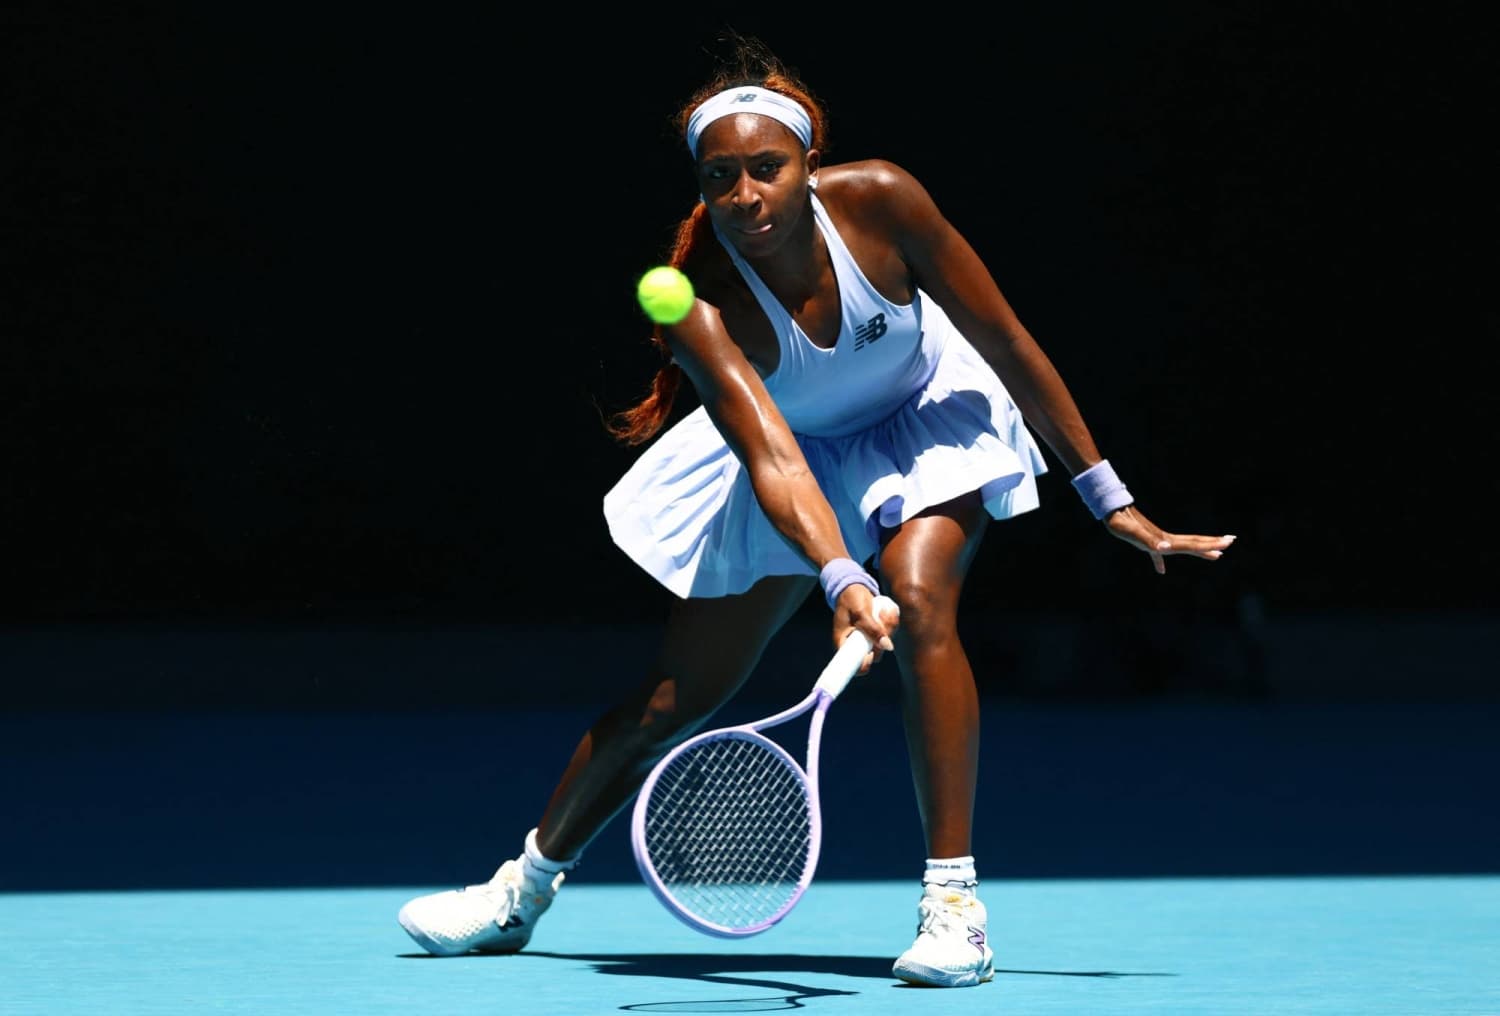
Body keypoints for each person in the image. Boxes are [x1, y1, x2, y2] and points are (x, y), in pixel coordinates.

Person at [397, 34, 1235, 988]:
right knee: (673, 700)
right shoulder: (697, 302)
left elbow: (1003, 337)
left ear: (809, 163)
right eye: (722, 178)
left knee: (921, 604)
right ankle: (521, 891)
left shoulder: (882, 201)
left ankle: (954, 905)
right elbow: (773, 457)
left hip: (928, 418)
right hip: (794, 467)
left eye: (767, 169)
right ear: (702, 187)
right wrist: (839, 574)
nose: (746, 196)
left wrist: (1106, 496)